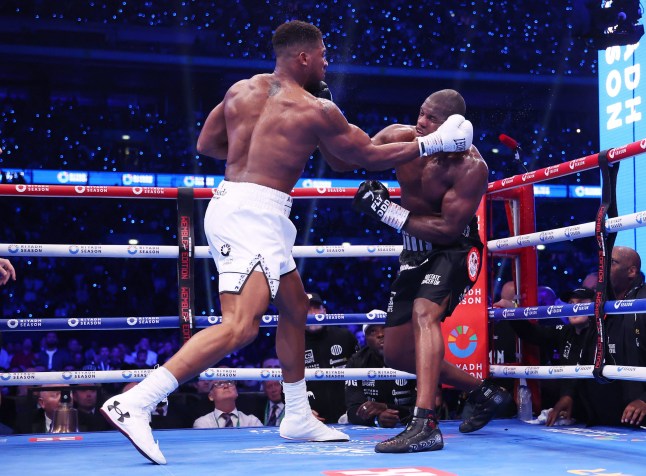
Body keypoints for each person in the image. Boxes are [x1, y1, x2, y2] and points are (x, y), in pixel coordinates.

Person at [101, 20, 473, 465]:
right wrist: (435, 142)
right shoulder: (314, 109)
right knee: (241, 325)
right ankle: (137, 400)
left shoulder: (241, 90)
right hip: (252, 215)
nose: (326, 62)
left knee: (295, 307)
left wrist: (261, 151)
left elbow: (208, 143)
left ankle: (297, 414)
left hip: (248, 207)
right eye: (322, 55)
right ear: (303, 57)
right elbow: (367, 157)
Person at [350, 89, 509, 453]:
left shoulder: (470, 166)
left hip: (454, 249)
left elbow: (448, 229)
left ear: (454, 125)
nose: (422, 123)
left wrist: (386, 211)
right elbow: (358, 154)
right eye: (421, 113)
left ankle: (425, 423)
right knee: (396, 354)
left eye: (432, 119)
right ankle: (484, 392)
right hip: (413, 253)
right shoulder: (401, 138)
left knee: (425, 312)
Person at [566, 246, 646, 427]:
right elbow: (585, 354)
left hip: (637, 426)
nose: (603, 268)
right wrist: (569, 394)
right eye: (602, 263)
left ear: (631, 271)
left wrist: (644, 400)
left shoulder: (643, 302)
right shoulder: (601, 304)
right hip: (600, 422)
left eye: (611, 262)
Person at [508, 287, 595, 425]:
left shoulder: (600, 335)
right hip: (575, 414)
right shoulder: (565, 332)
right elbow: (532, 333)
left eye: (580, 303)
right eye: (571, 304)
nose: (574, 308)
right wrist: (511, 311)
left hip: (598, 412)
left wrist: (569, 396)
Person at [345, 323, 416, 427]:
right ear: (366, 338)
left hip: (411, 425)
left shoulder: (413, 357)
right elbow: (353, 409)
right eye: (373, 331)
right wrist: (376, 419)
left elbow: (428, 408)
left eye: (385, 328)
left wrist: (386, 407)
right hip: (374, 431)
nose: (380, 334)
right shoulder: (357, 362)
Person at [304, 292, 359, 424]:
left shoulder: (344, 337)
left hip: (349, 416)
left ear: (325, 311)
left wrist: (356, 407)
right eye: (306, 309)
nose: (312, 314)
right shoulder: (293, 343)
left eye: (316, 308)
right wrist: (302, 411)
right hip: (313, 419)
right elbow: (285, 383)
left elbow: (362, 372)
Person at [193, 380, 263, 429]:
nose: (226, 386)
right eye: (219, 384)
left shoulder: (252, 422)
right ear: (211, 396)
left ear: (237, 393)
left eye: (230, 382)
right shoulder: (203, 423)